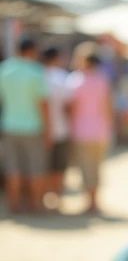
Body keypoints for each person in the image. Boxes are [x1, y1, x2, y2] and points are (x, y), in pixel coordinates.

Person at [0, 37, 50, 213]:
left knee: (12, 168)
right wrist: (48, 130)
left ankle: (14, 205)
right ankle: (35, 204)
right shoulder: (36, 71)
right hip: (32, 127)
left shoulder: (5, 70)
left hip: (8, 126)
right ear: (32, 51)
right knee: (35, 168)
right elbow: (43, 104)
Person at [67, 52, 114, 214]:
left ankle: (90, 202)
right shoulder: (102, 80)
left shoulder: (75, 80)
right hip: (101, 131)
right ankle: (95, 201)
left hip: (81, 131)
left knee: (85, 167)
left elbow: (72, 108)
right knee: (96, 167)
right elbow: (108, 106)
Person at [42, 46, 72, 207]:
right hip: (62, 129)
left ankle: (46, 199)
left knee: (44, 167)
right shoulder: (63, 78)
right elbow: (69, 106)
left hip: (40, 131)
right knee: (59, 167)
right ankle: (57, 199)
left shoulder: (39, 76)